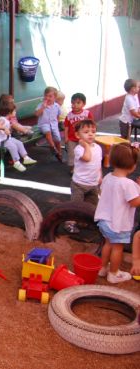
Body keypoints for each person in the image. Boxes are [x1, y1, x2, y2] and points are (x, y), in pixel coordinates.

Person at [94, 143, 140, 283]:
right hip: (117, 224)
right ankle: (114, 273)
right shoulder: (128, 184)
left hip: (104, 221)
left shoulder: (108, 177)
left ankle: (103, 268)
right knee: (117, 248)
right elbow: (135, 202)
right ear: (133, 166)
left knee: (108, 243)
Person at [64, 120, 102, 234]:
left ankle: (85, 222)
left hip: (93, 184)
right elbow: (87, 158)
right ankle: (69, 223)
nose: (90, 134)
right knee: (76, 206)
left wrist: (100, 175)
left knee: (91, 205)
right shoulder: (79, 149)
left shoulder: (98, 148)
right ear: (77, 135)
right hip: (79, 185)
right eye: (86, 132)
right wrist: (85, 145)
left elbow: (98, 163)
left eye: (93, 132)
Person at [0, 100, 37, 172]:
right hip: (0, 141)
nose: (15, 112)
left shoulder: (7, 119)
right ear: (9, 113)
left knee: (19, 143)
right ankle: (16, 162)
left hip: (7, 139)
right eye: (14, 111)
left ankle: (26, 158)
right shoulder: (2, 119)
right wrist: (4, 128)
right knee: (13, 146)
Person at [63, 93, 94, 173]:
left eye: (78, 103)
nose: (75, 105)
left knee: (84, 152)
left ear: (84, 104)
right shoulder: (69, 115)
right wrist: (66, 137)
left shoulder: (87, 113)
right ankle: (74, 168)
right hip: (72, 139)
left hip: (84, 138)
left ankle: (84, 167)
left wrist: (92, 135)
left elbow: (91, 125)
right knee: (72, 154)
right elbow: (66, 127)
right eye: (73, 103)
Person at [35, 86, 63, 162]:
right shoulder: (41, 105)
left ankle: (59, 152)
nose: (47, 98)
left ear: (55, 98)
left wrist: (57, 123)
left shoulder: (57, 106)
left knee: (58, 139)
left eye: (50, 96)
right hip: (43, 124)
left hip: (54, 125)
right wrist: (43, 107)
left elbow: (58, 115)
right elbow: (37, 114)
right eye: (46, 95)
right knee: (48, 131)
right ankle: (52, 147)